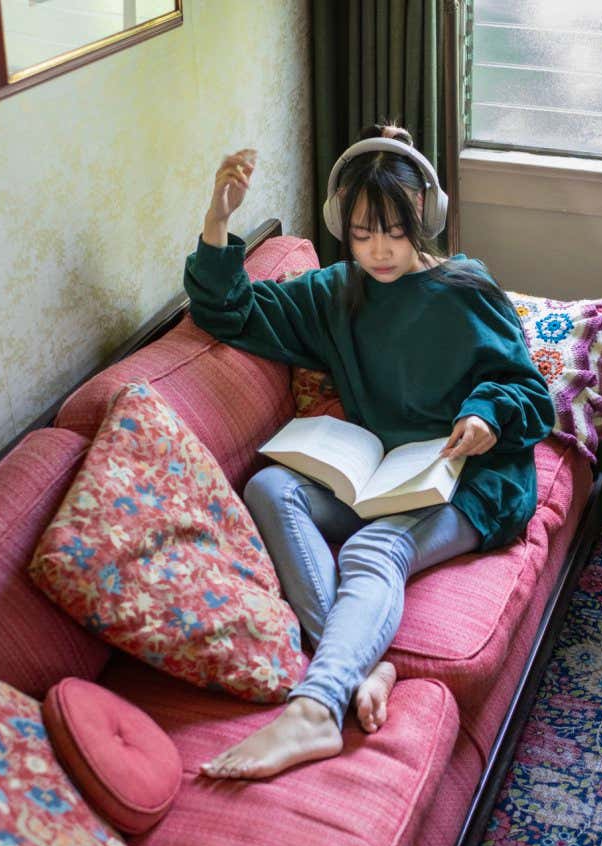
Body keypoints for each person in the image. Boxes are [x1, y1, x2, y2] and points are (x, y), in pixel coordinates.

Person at [187, 124, 554, 779]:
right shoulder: (334, 293)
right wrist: (218, 219)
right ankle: (359, 668)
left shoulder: (467, 289)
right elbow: (230, 312)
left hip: (469, 479)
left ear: (425, 218)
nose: (379, 250)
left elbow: (529, 392)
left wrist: (486, 413)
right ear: (342, 228)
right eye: (361, 233)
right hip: (376, 480)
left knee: (373, 548)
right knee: (271, 488)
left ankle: (315, 709)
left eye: (393, 231)